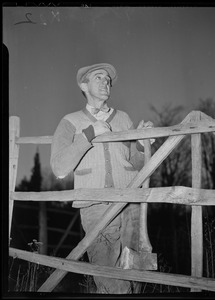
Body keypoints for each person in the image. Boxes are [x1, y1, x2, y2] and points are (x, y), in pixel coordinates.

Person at [50, 63, 154, 294]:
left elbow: (137, 165)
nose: (105, 82)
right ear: (83, 85)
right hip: (95, 205)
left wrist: (140, 144)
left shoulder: (124, 118)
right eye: (98, 78)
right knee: (109, 277)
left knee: (133, 271)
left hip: (129, 205)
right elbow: (59, 167)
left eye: (108, 79)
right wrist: (89, 134)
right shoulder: (70, 121)